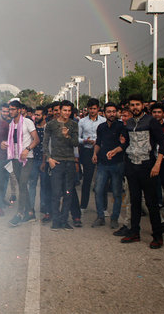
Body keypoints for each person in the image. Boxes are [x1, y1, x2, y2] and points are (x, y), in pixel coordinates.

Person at [120, 94, 164, 249]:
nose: (135, 107)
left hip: (147, 166)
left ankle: (157, 236)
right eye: (132, 105)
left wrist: (157, 164)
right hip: (132, 166)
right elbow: (127, 144)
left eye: (137, 104)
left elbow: (163, 144)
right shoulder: (128, 123)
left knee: (151, 202)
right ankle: (134, 232)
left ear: (143, 106)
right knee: (134, 201)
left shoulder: (151, 121)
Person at [43, 100, 79, 231]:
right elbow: (45, 143)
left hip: (69, 161)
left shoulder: (74, 125)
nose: (67, 113)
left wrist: (67, 135)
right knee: (56, 193)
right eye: (65, 110)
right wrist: (49, 159)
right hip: (56, 162)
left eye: (69, 111)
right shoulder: (51, 125)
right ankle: (56, 221)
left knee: (68, 193)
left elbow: (75, 143)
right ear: (60, 111)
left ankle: (64, 221)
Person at [91, 102, 128, 229]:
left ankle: (114, 218)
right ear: (104, 113)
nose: (111, 114)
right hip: (102, 164)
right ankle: (100, 216)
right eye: (109, 112)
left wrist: (114, 151)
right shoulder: (101, 127)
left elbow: (124, 144)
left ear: (117, 112)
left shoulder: (122, 127)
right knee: (98, 190)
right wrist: (95, 154)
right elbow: (98, 142)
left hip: (117, 163)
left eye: (113, 111)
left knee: (117, 193)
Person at [6, 100, 40, 226]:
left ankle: (19, 214)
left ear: (20, 110)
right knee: (22, 184)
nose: (11, 111)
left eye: (13, 109)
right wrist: (5, 145)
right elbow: (13, 142)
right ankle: (30, 212)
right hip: (15, 157)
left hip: (27, 158)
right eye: (10, 109)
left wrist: (27, 149)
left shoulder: (27, 122)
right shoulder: (11, 125)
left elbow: (36, 140)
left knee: (23, 183)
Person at [78, 98, 106, 210]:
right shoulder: (82, 121)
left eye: (94, 108)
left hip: (101, 151)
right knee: (87, 179)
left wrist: (100, 142)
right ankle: (83, 206)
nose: (92, 111)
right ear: (87, 109)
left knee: (102, 179)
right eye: (90, 109)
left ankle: (104, 207)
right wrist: (85, 141)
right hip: (87, 150)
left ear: (98, 109)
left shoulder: (103, 121)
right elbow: (77, 138)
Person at [28, 106, 51, 223]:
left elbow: (46, 147)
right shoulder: (32, 128)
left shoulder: (48, 128)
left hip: (44, 161)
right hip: (32, 160)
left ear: (44, 116)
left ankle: (45, 208)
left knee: (44, 186)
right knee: (31, 185)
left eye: (38, 115)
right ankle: (30, 208)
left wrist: (43, 161)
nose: (35, 117)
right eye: (35, 115)